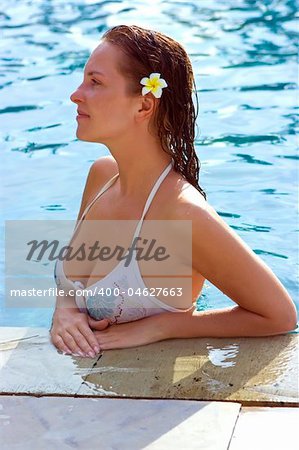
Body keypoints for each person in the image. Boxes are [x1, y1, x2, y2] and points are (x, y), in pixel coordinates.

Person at [50, 24, 297, 358]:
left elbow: (279, 316)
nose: (76, 94)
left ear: (144, 106)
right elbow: (72, 287)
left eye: (95, 82)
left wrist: (163, 327)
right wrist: (65, 310)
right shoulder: (102, 175)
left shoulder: (181, 213)